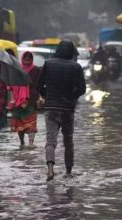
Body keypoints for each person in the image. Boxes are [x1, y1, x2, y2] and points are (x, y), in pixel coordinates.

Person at [37, 40, 86, 181]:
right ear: (71, 52)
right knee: (68, 141)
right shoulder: (76, 67)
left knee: (50, 141)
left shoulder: (48, 64)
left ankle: (50, 170)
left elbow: (39, 85)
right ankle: (69, 171)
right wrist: (71, 97)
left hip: (51, 107)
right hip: (67, 109)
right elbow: (82, 89)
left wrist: (46, 96)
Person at [10, 51, 42, 148]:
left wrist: (38, 96)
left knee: (31, 125)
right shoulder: (17, 70)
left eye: (29, 60)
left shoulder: (36, 70)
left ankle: (31, 144)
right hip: (18, 102)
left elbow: (39, 84)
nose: (27, 62)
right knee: (20, 124)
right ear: (22, 60)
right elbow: (12, 85)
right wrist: (14, 99)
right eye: (25, 59)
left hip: (31, 101)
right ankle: (22, 143)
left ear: (32, 60)